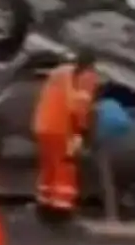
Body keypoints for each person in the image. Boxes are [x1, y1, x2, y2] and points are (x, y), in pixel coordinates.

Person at [32, 49, 100, 227]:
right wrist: (82, 131)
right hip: (64, 128)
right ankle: (60, 212)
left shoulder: (59, 73)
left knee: (49, 168)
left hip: (43, 124)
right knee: (65, 169)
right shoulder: (87, 77)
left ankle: (44, 206)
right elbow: (80, 107)